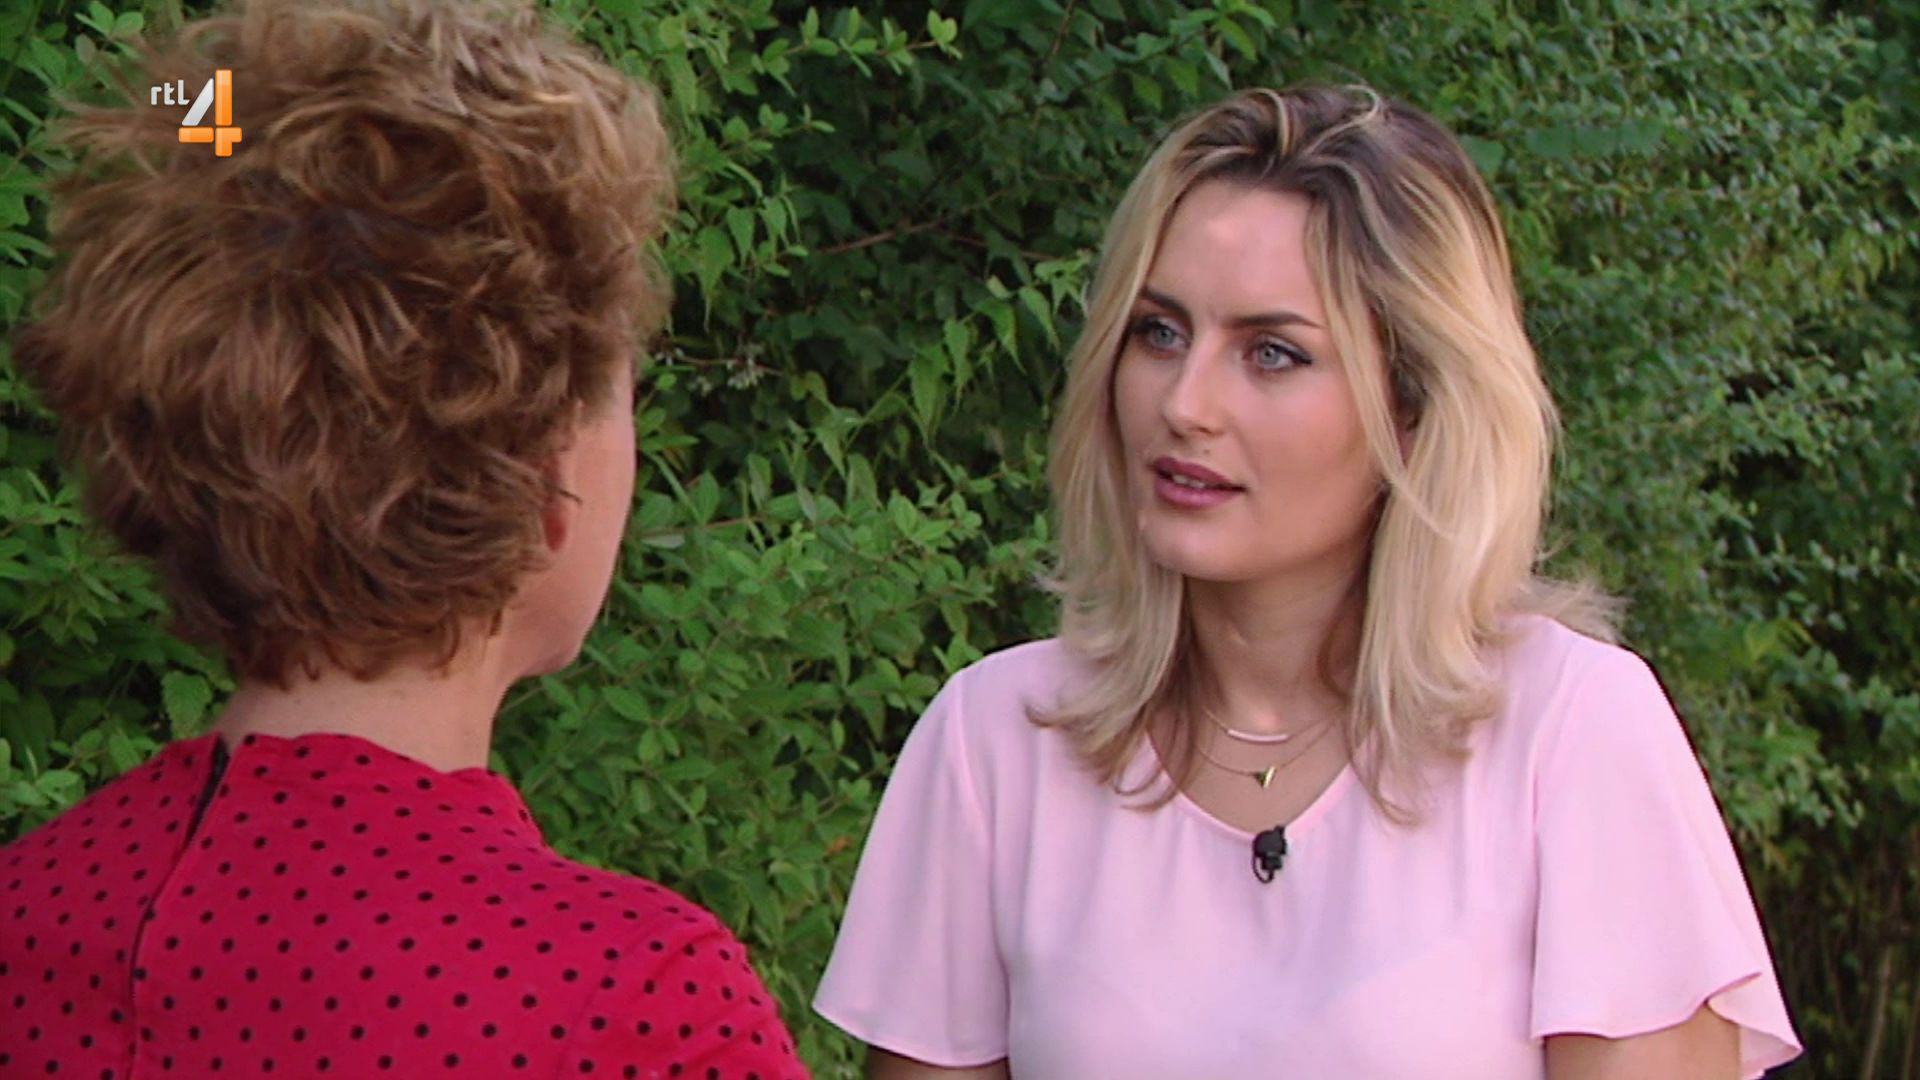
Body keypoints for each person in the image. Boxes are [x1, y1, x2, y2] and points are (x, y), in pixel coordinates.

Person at [813, 85, 1800, 1080]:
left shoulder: (1573, 732)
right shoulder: (994, 742)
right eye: (1159, 332)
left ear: (1415, 407)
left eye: (1272, 353)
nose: (1186, 403)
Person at [0, 0, 807, 1077]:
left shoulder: (26, 921)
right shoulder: (638, 1005)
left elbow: (180, 101)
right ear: (548, 468)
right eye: (624, 391)